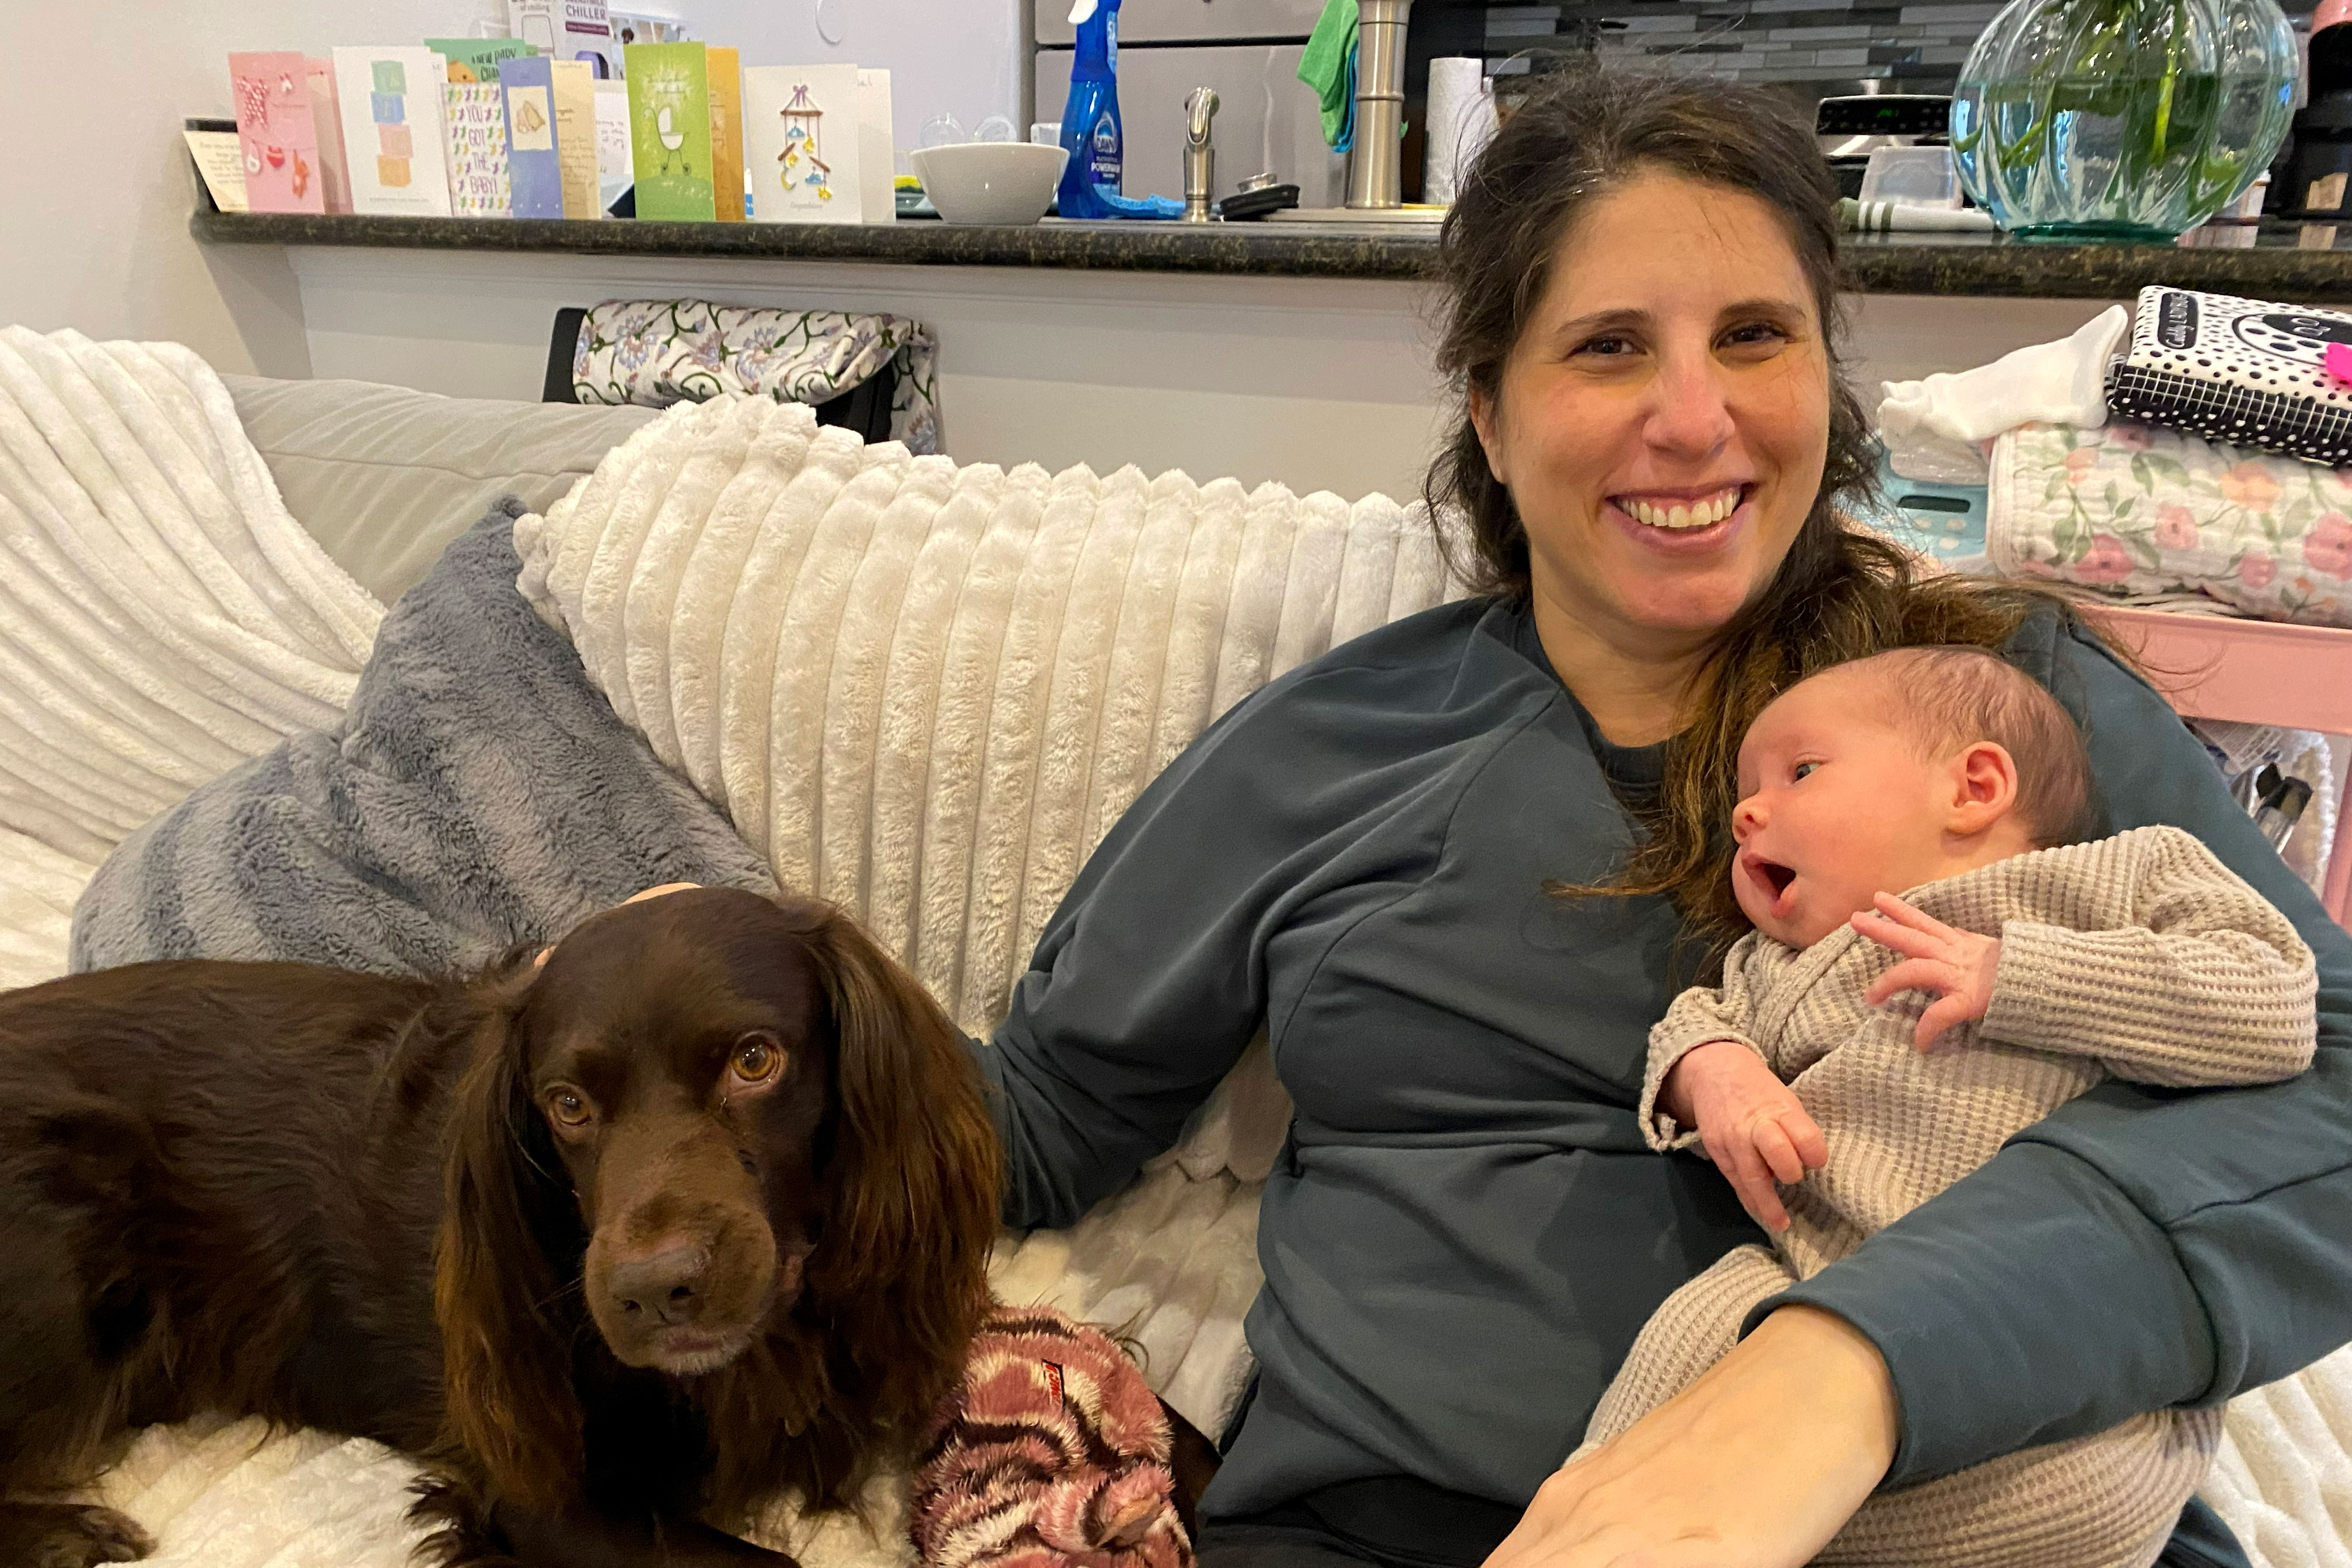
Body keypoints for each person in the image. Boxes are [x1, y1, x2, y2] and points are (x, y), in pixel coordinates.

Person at [611, 67, 2351, 1568]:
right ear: (1490, 416)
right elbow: (1048, 1115)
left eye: (1756, 336)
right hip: (1394, 1524)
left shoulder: (2000, 714)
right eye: (1609, 348)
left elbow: (2326, 1081)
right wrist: (687, 1043)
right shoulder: (1331, 747)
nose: (1695, 418)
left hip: (1979, 1505)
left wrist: (1850, 1370)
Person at [1579, 646, 2316, 1568]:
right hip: (1819, 1303)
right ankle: (1598, 1525)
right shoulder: (1777, 966)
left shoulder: (2121, 874)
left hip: (2061, 1341)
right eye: (1746, 795)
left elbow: (2273, 1007)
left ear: (1974, 787)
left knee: (2085, 1493)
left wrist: (2019, 975)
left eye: (1800, 772)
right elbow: (1693, 1023)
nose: (1747, 813)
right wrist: (1717, 1072)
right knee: (1692, 1334)